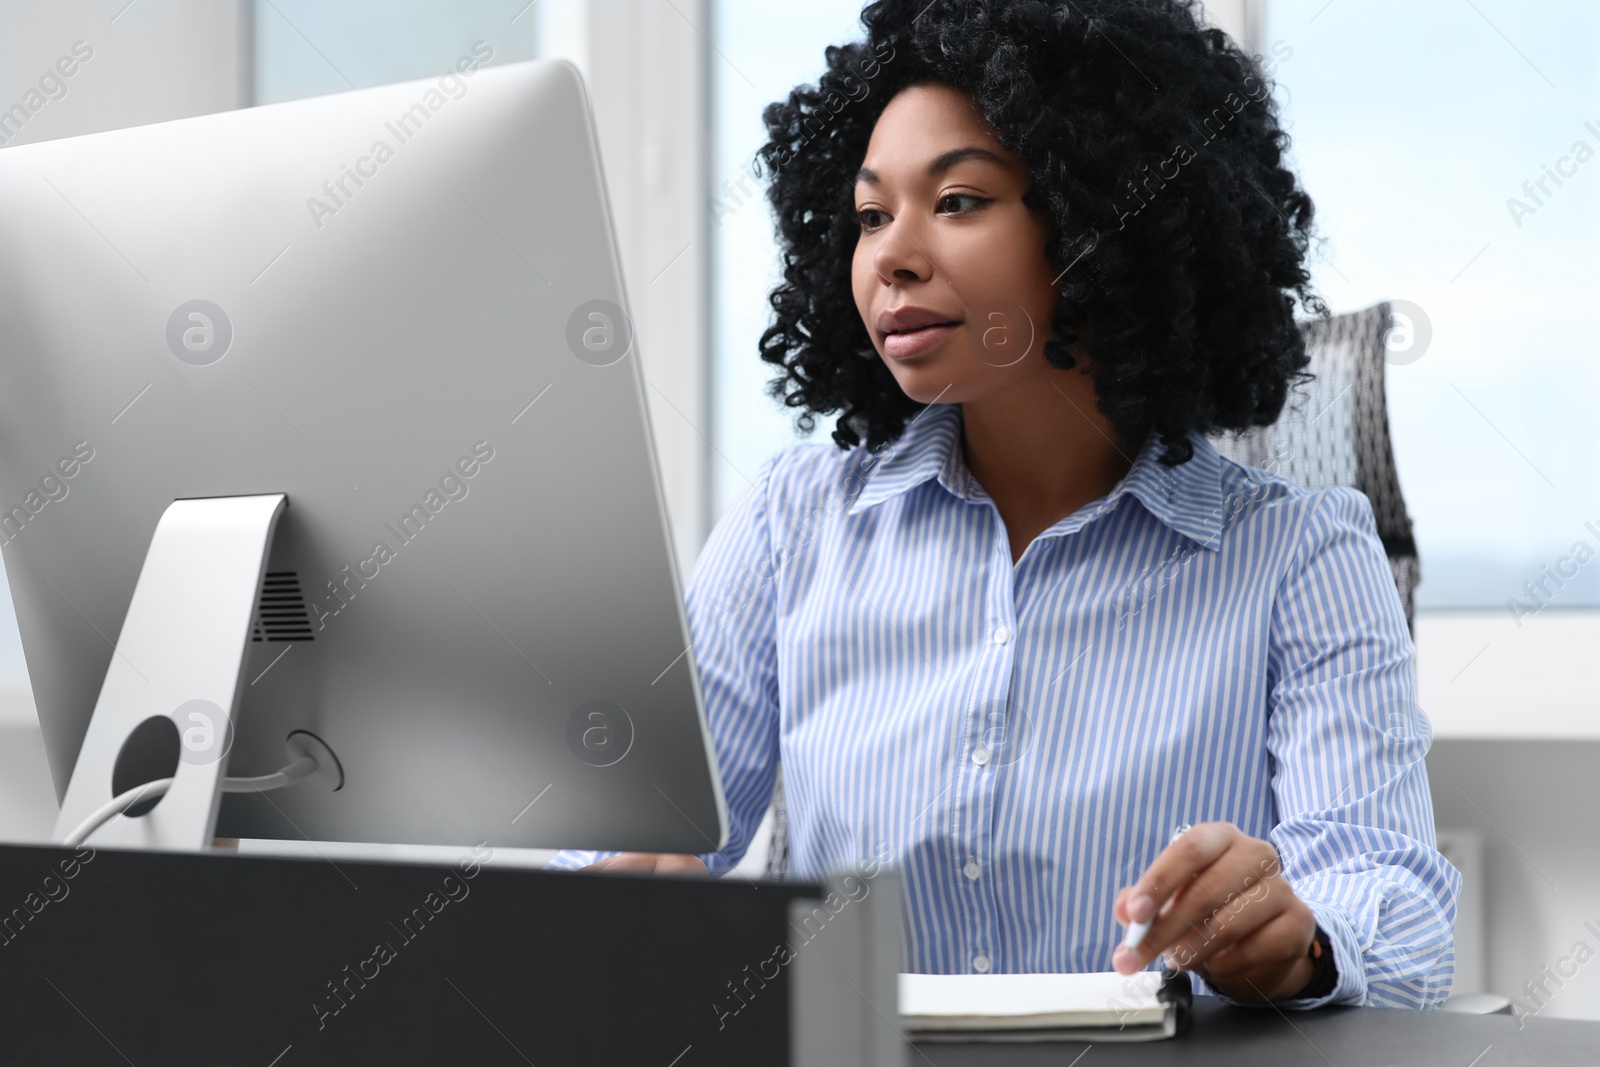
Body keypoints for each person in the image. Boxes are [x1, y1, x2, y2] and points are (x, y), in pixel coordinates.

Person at [549, 0, 1459, 1009]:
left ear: (1099, 221)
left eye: (957, 200)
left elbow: (1398, 916)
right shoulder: (791, 520)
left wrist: (1297, 940)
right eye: (867, 215)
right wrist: (607, 887)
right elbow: (632, 838)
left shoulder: (1299, 555)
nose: (888, 255)